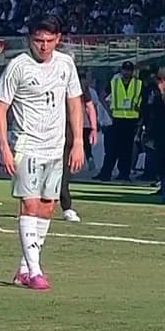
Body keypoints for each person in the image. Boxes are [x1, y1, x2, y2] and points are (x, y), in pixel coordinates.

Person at [0, 15, 84, 291]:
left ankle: (24, 268)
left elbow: (74, 103)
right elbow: (0, 106)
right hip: (26, 145)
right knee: (30, 205)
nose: (43, 46)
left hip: (55, 146)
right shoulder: (18, 66)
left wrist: (78, 141)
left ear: (58, 39)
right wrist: (4, 147)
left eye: (49, 41)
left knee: (48, 206)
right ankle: (35, 271)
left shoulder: (66, 64)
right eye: (38, 41)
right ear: (29, 40)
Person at [59, 73, 98, 223]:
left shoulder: (77, 85)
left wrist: (93, 128)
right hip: (49, 132)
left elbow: (89, 106)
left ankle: (66, 206)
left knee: (64, 172)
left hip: (68, 133)